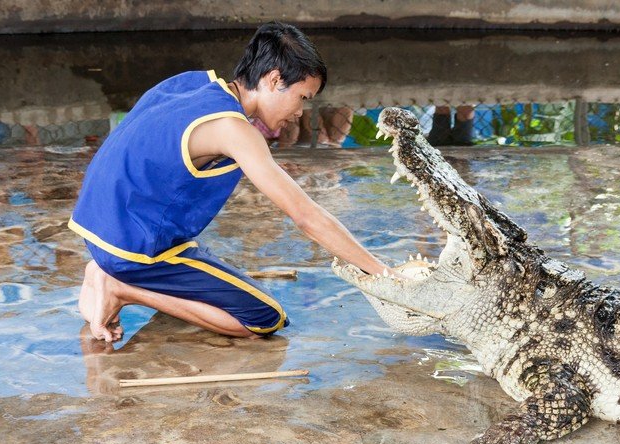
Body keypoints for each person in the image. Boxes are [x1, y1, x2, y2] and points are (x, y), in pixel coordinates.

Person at [69, 22, 396, 342]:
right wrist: (382, 273)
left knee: (213, 271)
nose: (300, 112)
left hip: (100, 231)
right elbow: (305, 215)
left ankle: (107, 271)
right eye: (302, 97)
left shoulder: (192, 82)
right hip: (133, 250)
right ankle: (120, 288)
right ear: (274, 79)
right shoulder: (233, 128)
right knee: (264, 317)